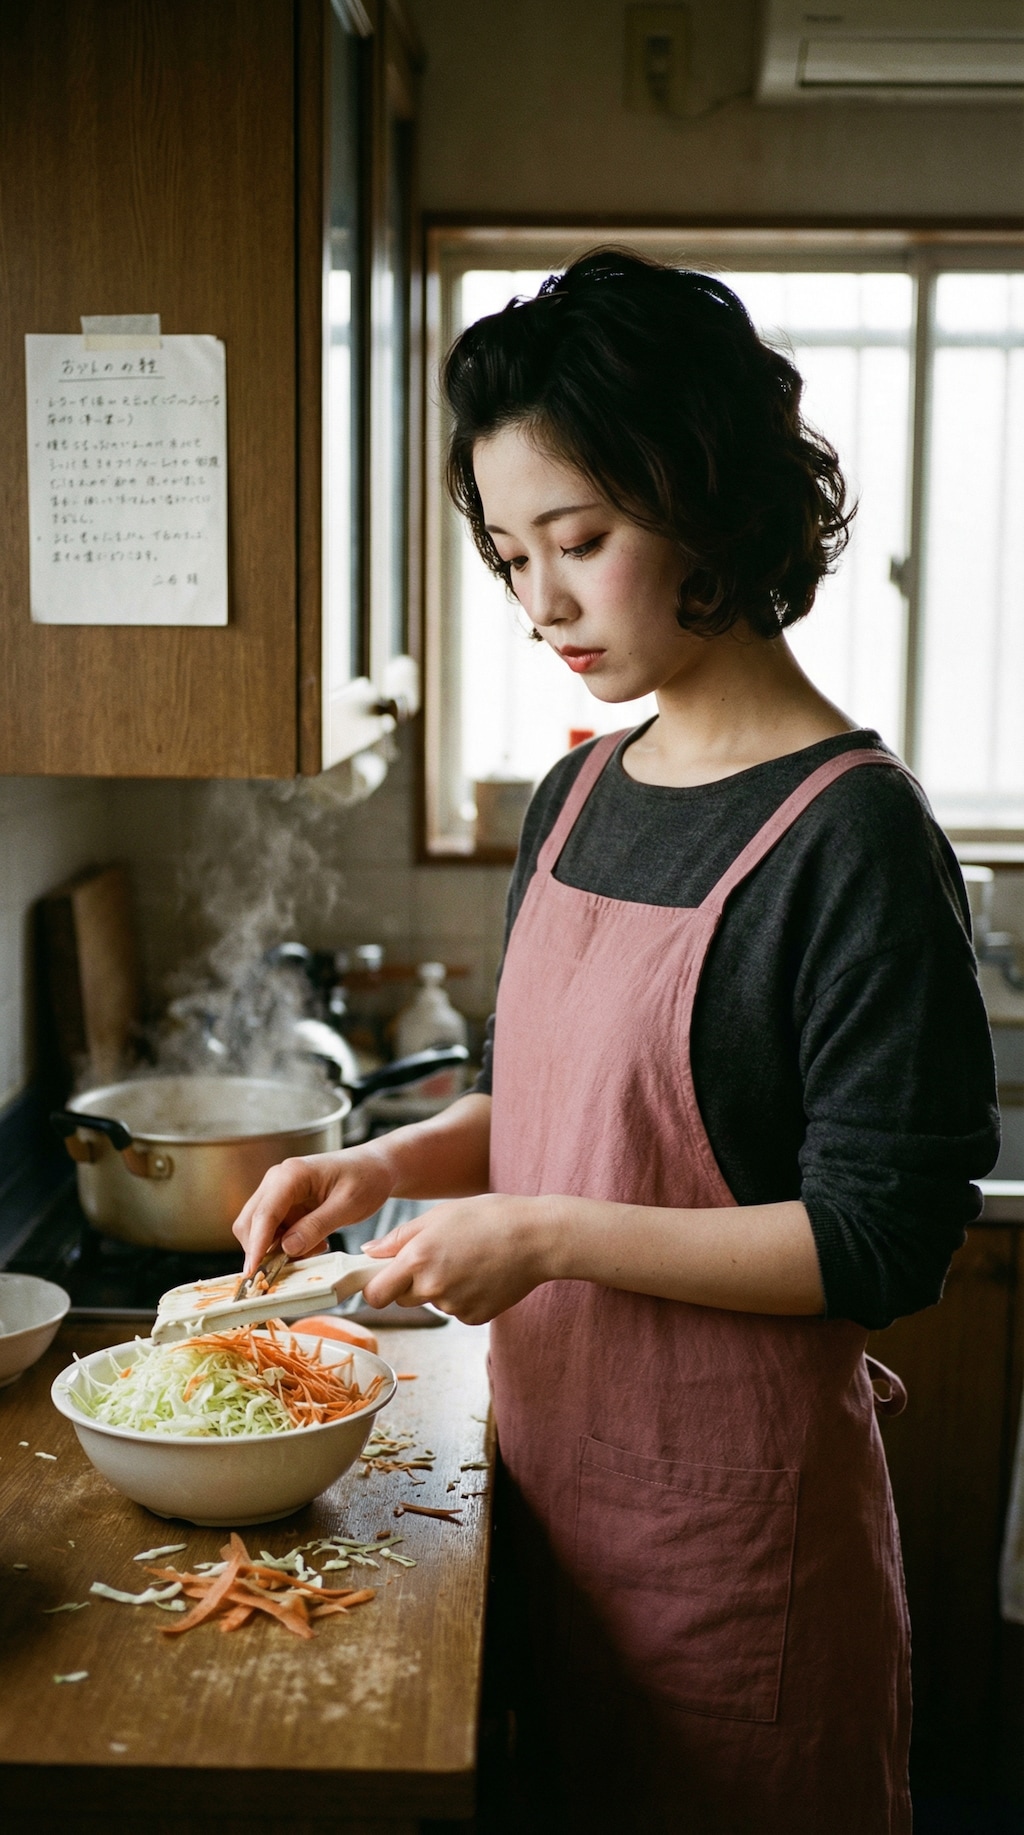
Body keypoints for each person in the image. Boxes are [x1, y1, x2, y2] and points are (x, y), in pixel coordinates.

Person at [234, 251, 999, 1834]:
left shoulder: (853, 838)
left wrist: (550, 1237)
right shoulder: (580, 794)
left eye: (581, 541)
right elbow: (553, 1109)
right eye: (512, 554)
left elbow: (886, 1239)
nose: (543, 605)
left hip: (736, 1558)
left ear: (708, 504)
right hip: (549, 1504)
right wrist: (377, 1159)